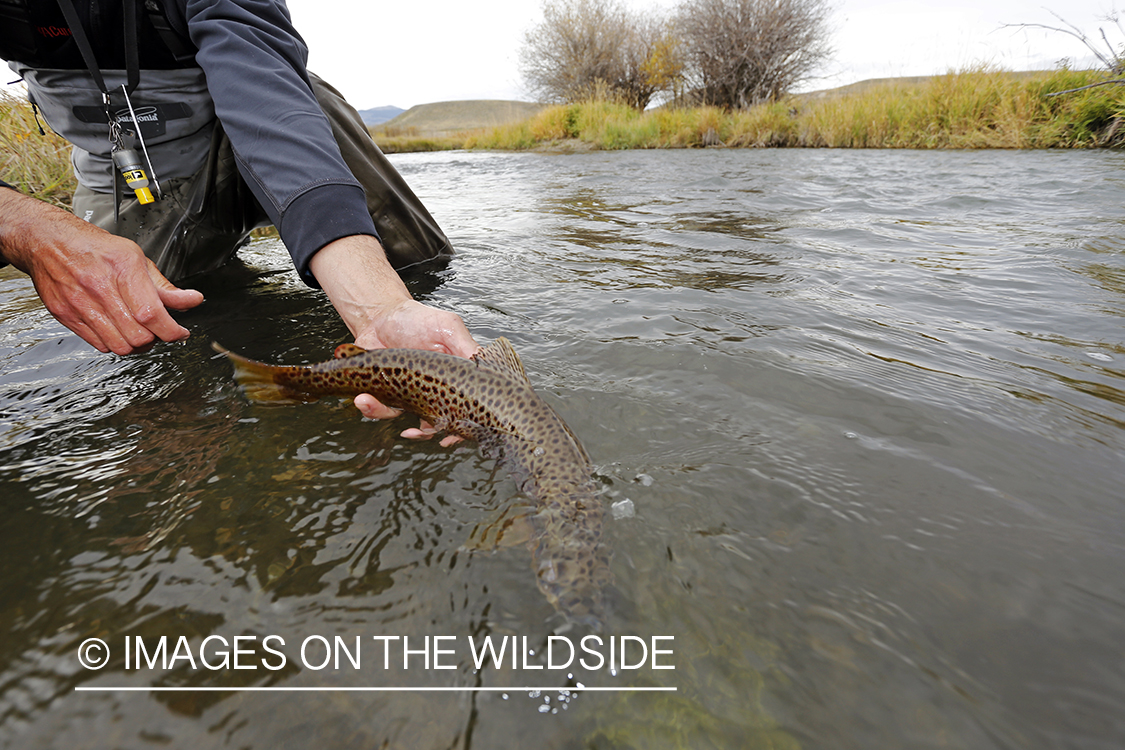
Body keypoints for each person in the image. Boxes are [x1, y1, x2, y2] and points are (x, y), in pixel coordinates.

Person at [0, 0, 477, 433]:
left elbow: (269, 102)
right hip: (130, 172)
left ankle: (402, 312)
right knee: (140, 327)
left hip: (269, 136)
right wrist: (28, 229)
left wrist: (379, 306)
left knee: (314, 105)